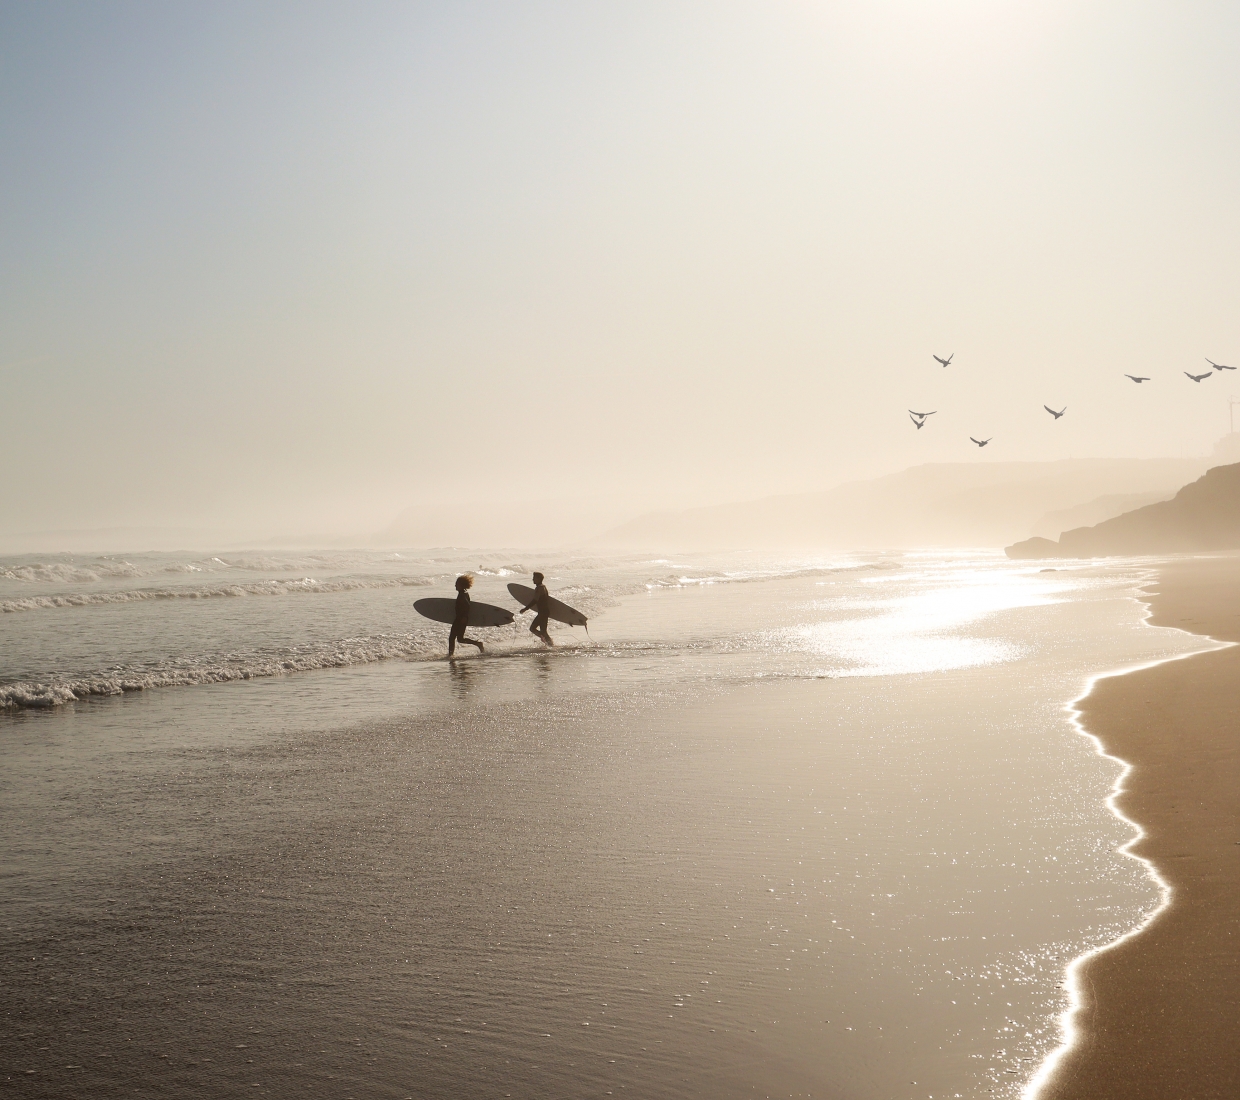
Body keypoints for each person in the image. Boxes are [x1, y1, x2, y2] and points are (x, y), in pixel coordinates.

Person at [448, 574, 484, 657]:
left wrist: (464, 616)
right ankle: (478, 644)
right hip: (461, 618)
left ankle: (450, 655)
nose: (455, 585)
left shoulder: (462, 594)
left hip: (460, 619)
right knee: (460, 639)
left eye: (457, 583)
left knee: (452, 638)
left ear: (462, 585)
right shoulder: (464, 592)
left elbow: (467, 606)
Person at [518, 571, 554, 647]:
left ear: (538, 579)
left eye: (534, 578)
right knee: (543, 631)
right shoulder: (544, 587)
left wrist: (525, 609)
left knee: (532, 628)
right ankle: (549, 643)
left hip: (542, 612)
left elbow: (535, 600)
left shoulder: (539, 588)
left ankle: (548, 642)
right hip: (545, 611)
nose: (533, 579)